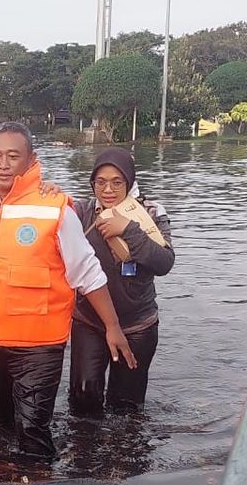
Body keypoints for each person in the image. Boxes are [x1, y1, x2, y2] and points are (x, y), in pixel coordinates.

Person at [0, 122, 135, 457]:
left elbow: (88, 273)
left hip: (39, 344)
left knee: (32, 428)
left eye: (13, 156)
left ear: (31, 159)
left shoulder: (55, 209)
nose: (4, 164)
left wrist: (112, 326)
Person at [69, 148, 174, 415]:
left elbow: (164, 262)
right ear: (92, 183)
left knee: (126, 408)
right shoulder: (80, 213)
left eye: (117, 182)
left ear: (129, 182)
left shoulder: (150, 212)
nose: (108, 190)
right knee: (83, 399)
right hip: (89, 322)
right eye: (100, 182)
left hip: (138, 325)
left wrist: (128, 229)